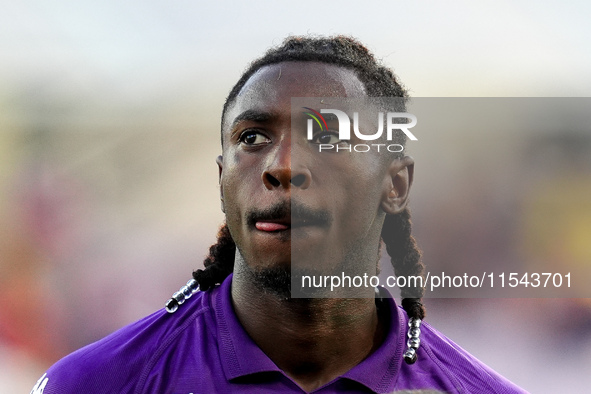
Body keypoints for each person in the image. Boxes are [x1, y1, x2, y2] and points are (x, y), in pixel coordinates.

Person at [31, 36, 525, 394]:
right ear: (222, 179)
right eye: (253, 138)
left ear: (394, 185)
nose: (283, 166)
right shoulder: (97, 385)